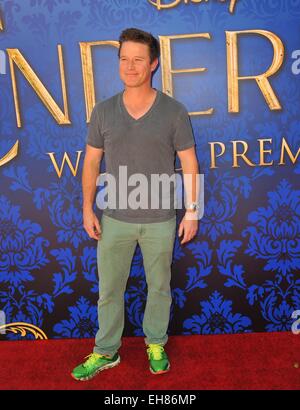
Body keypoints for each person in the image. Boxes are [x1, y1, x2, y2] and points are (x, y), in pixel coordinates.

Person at [71, 27, 199, 381]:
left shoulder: (174, 111)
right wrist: (86, 209)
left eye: (138, 60)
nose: (130, 66)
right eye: (124, 59)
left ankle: (155, 342)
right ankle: (106, 350)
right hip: (115, 219)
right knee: (109, 290)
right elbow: (92, 164)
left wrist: (192, 211)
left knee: (160, 286)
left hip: (161, 219)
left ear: (153, 64)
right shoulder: (103, 111)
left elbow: (189, 163)